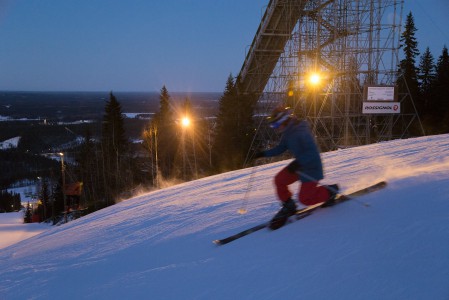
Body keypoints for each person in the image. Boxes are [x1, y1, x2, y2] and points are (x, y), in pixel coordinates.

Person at [255, 106, 339, 230]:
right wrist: (263, 154)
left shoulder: (300, 131)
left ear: (284, 120)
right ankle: (289, 206)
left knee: (305, 199)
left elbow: (312, 153)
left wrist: (298, 163)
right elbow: (281, 148)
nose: (275, 128)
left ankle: (330, 191)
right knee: (279, 180)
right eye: (273, 126)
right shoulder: (288, 132)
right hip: (299, 166)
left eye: (275, 125)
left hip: (311, 168)